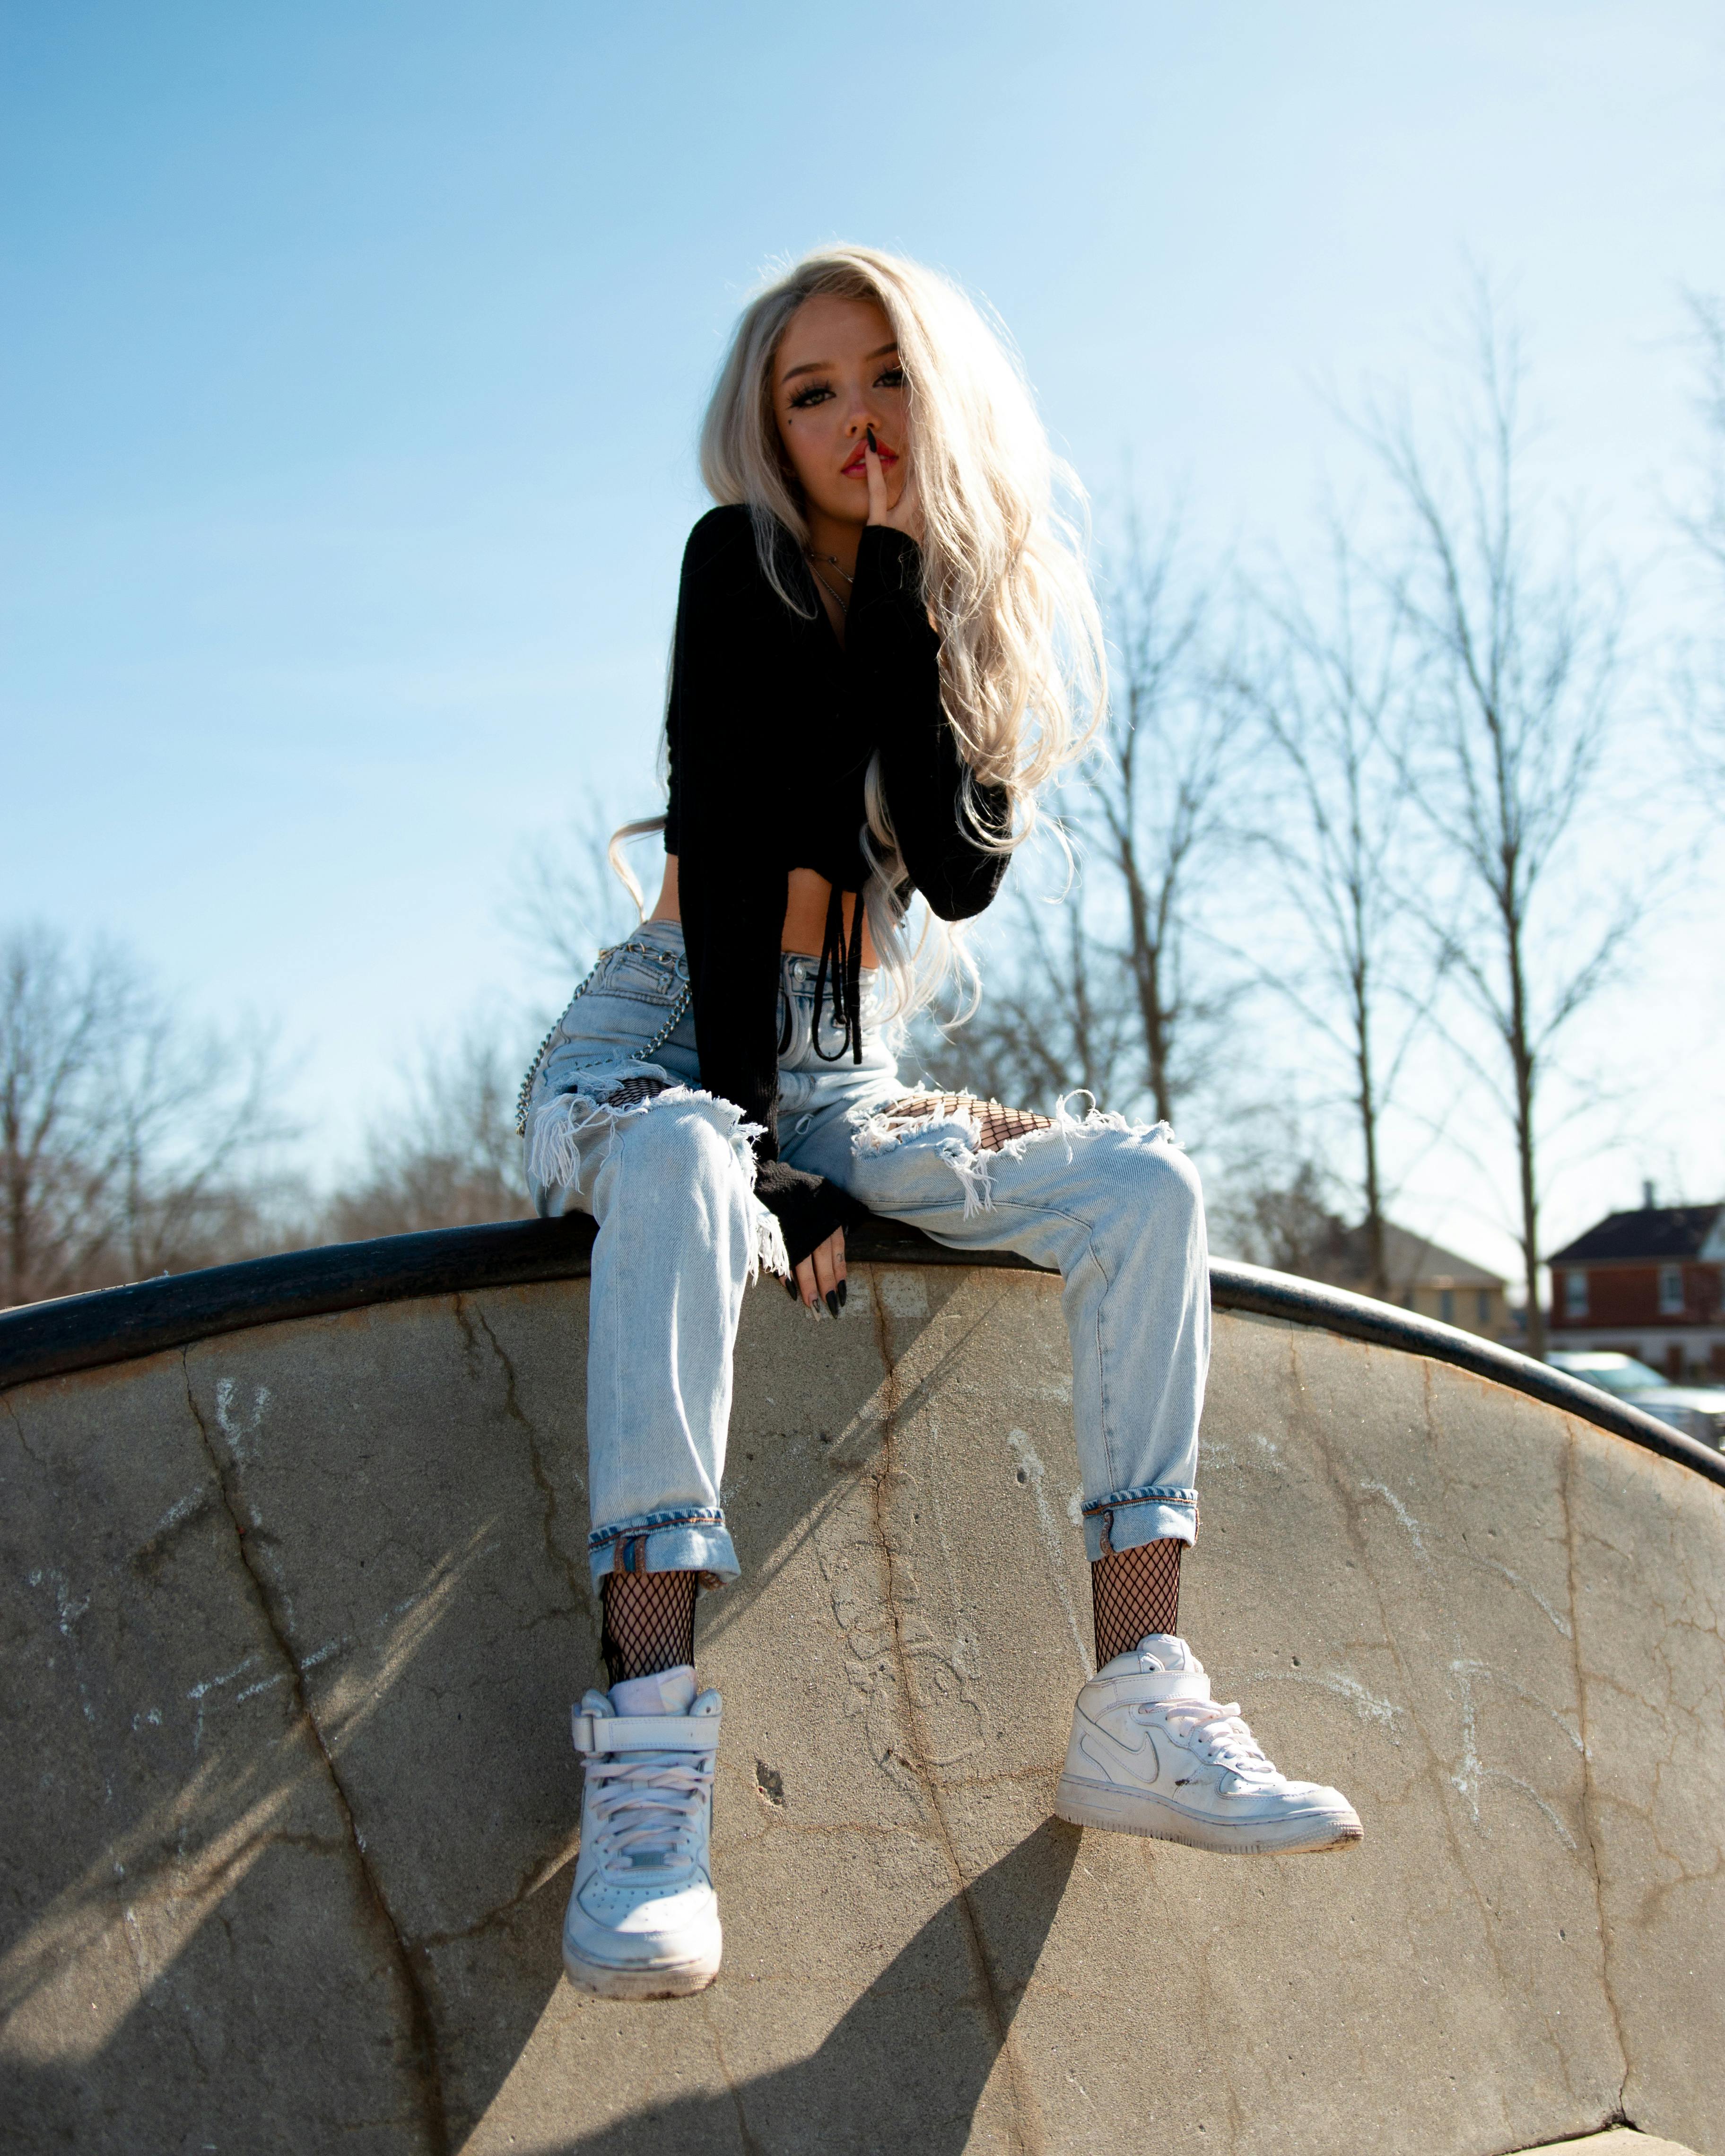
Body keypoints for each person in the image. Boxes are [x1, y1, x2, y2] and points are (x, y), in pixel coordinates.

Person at [518, 247, 1361, 2002]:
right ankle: (648, 1758)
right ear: (768, 427)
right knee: (674, 1158)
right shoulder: (728, 568)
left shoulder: (934, 598)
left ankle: (1139, 1697)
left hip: (849, 1063)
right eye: (807, 394)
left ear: (931, 396)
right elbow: (740, 858)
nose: (848, 421)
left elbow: (958, 876)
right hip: (674, 1033)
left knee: (1147, 1187)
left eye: (879, 380)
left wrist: (904, 588)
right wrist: (758, 1147)